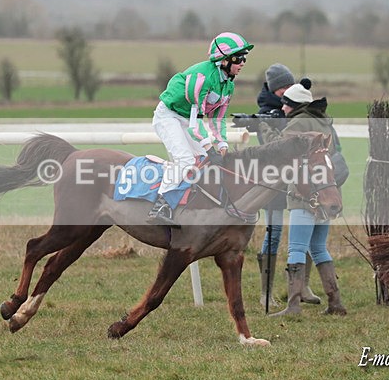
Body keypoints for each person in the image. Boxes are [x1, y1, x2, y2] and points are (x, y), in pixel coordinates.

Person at [258, 79, 347, 316]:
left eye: (286, 104)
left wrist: (262, 127)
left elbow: (276, 147)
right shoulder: (322, 120)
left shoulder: (299, 121)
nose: (283, 108)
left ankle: (293, 305)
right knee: (318, 247)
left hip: (304, 196)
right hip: (326, 193)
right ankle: (335, 303)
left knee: (296, 248)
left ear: (295, 105)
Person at [147, 32, 254, 226]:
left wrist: (221, 144)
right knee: (186, 159)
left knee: (203, 162)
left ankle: (192, 204)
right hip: (169, 116)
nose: (243, 62)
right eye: (239, 58)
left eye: (244, 58)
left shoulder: (228, 85)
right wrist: (209, 148)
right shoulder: (202, 79)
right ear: (223, 60)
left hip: (188, 118)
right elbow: (196, 125)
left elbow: (217, 120)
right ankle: (160, 204)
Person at [250, 64, 322, 309]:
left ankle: (303, 287)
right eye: (285, 89)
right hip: (274, 181)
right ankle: (266, 292)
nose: (289, 92)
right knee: (274, 234)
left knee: (306, 234)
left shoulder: (295, 109)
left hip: (299, 181)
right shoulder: (266, 115)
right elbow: (272, 148)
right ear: (277, 90)